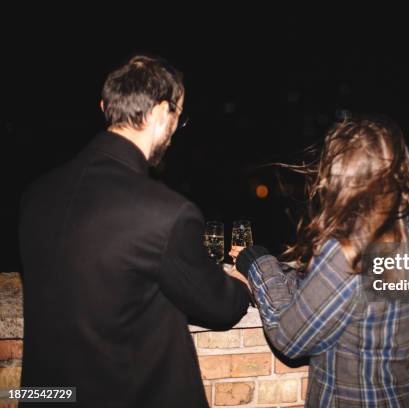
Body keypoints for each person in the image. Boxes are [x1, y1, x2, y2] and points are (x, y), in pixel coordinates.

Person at [18, 55, 251, 408]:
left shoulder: (36, 195)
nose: (174, 130)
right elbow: (218, 305)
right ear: (160, 113)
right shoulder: (165, 213)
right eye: (177, 116)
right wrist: (243, 285)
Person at [233, 116, 409, 407]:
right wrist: (288, 273)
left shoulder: (348, 251)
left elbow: (289, 337)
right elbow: (338, 299)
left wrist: (258, 262)